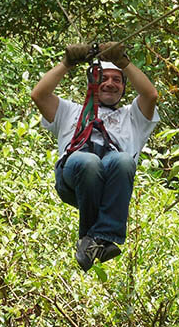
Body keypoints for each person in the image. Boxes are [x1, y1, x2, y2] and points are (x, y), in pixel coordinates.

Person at [30, 42, 159, 271]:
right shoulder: (70, 111)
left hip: (111, 178)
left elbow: (150, 94)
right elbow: (39, 94)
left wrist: (124, 62)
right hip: (76, 173)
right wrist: (67, 63)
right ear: (92, 82)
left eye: (117, 79)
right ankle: (90, 236)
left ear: (123, 88)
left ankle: (102, 239)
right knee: (89, 162)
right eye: (104, 78)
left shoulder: (132, 118)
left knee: (123, 160)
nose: (110, 83)